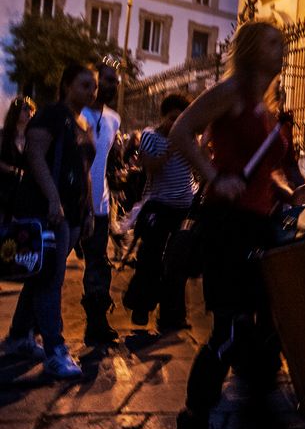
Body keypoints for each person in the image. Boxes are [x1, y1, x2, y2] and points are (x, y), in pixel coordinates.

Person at [169, 21, 305, 429]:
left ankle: (259, 408)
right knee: (232, 327)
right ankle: (193, 421)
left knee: (264, 324)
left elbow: (262, 171)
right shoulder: (232, 91)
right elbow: (182, 131)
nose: (283, 49)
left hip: (258, 223)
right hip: (227, 224)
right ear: (253, 48)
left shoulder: (265, 106)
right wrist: (214, 175)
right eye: (275, 43)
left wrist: (289, 194)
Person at [1, 64, 98, 378]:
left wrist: (88, 212)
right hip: (48, 212)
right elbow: (35, 155)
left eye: (93, 87)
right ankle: (56, 351)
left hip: (70, 213)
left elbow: (85, 170)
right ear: (67, 85)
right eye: (85, 85)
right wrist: (54, 198)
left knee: (40, 276)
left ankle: (18, 337)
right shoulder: (52, 115)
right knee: (50, 282)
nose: (91, 92)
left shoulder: (81, 122)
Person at [121, 93, 196, 331]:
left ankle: (172, 316)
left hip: (185, 206)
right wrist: (173, 145)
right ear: (163, 117)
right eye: (173, 118)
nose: (176, 123)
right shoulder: (150, 136)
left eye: (181, 119)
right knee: (150, 258)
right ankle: (141, 306)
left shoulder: (190, 137)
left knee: (178, 263)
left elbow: (197, 164)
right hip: (159, 205)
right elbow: (151, 167)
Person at [77, 62, 121, 345]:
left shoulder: (114, 119)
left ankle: (96, 325)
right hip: (70, 204)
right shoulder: (76, 114)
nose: (110, 86)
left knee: (98, 265)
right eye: (106, 80)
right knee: (50, 268)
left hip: (99, 205)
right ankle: (28, 328)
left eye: (114, 81)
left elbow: (105, 162)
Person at [0, 96, 37, 216]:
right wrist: (12, 170)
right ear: (16, 112)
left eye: (32, 109)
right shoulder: (4, 136)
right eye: (25, 109)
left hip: (23, 195)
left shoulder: (33, 140)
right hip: (3, 190)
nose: (29, 112)